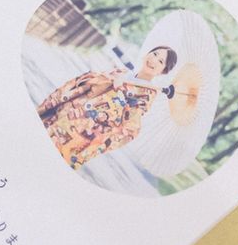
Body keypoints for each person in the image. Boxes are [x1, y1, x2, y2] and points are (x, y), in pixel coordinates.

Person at [37, 45, 178, 170]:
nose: (154, 60)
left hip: (82, 130)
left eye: (160, 61)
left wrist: (119, 93)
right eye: (155, 54)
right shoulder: (123, 73)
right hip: (67, 111)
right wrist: (106, 79)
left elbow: (129, 128)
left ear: (163, 71)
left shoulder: (145, 96)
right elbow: (91, 82)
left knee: (49, 160)